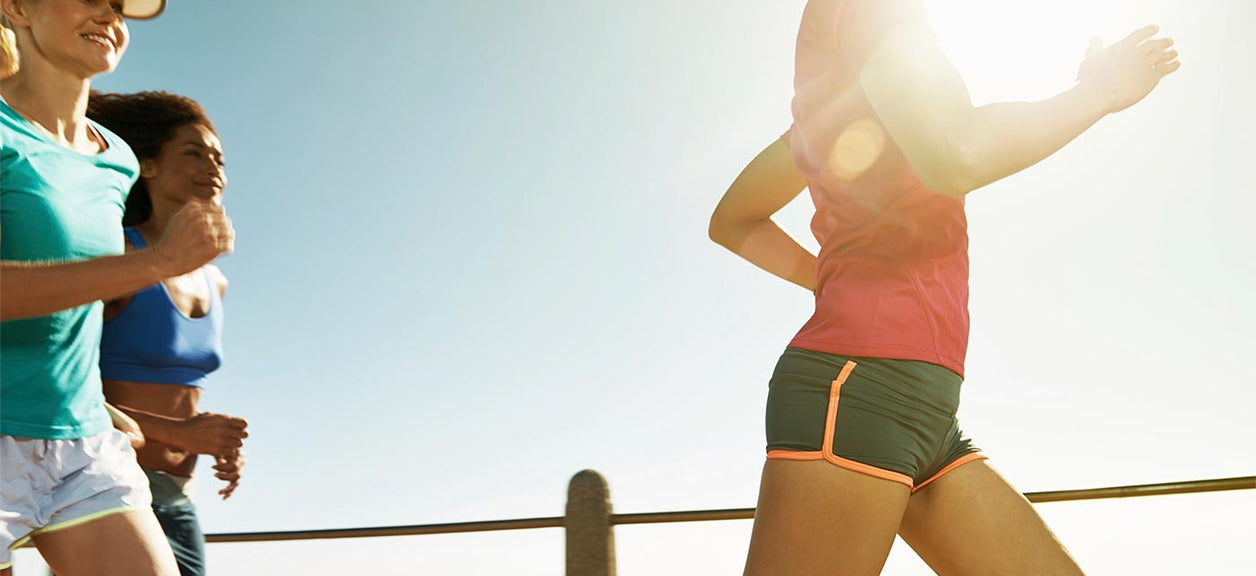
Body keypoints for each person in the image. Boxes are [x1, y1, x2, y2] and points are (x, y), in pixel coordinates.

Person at [709, 2, 1179, 574]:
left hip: (927, 412)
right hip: (859, 394)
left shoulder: (838, 99)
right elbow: (956, 155)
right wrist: (1100, 93)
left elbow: (733, 219)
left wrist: (828, 283)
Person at [0, 0, 233, 574]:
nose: (108, 12)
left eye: (120, 5)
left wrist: (101, 407)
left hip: (82, 446)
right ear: (17, 7)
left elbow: (70, 316)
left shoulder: (118, 159)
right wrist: (159, 262)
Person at [88, 90, 248, 576]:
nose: (212, 166)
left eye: (219, 157)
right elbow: (61, 382)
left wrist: (213, 443)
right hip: (107, 489)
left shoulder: (215, 279)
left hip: (179, 498)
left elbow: (182, 391)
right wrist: (178, 432)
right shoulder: (118, 253)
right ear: (150, 166)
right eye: (194, 152)